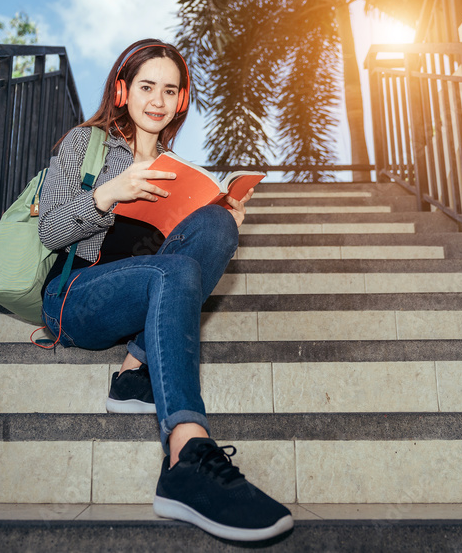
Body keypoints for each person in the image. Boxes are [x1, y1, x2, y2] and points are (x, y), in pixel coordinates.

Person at [37, 38, 293, 541]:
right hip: (75, 295)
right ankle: (187, 453)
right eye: (146, 86)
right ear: (122, 90)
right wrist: (109, 193)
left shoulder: (178, 170)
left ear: (180, 101)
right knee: (171, 272)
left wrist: (221, 221)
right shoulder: (85, 145)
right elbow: (50, 231)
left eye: (169, 90)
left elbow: (190, 254)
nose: (157, 99)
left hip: (144, 295)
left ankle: (136, 370)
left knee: (217, 227)